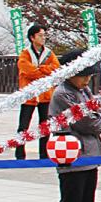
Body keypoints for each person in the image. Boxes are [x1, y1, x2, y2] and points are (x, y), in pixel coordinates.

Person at [47, 51, 101, 202]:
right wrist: (97, 119)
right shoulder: (62, 94)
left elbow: (98, 115)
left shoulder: (84, 91)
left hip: (90, 154)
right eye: (83, 75)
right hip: (71, 154)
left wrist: (97, 119)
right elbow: (87, 122)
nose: (87, 80)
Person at [15, 24, 60, 160]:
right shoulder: (25, 53)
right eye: (40, 35)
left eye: (44, 35)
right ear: (32, 37)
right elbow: (27, 71)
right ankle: (20, 153)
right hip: (30, 95)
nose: (43, 38)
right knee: (23, 125)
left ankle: (44, 153)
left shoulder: (49, 53)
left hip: (45, 94)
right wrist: (44, 71)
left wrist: (40, 69)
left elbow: (56, 67)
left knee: (45, 125)